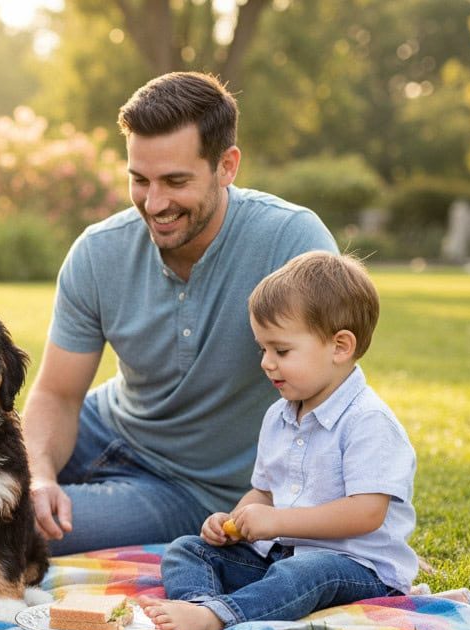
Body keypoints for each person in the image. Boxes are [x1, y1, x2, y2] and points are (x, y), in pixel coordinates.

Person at [21, 71, 339, 555]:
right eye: (139, 180)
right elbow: (58, 394)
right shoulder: (98, 252)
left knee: (8, 532)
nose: (154, 203)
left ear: (226, 166)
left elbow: (334, 399)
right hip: (103, 428)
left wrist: (345, 530)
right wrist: (38, 475)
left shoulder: (292, 242)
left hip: (189, 487)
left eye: (175, 181)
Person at [139, 251, 417, 630]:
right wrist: (234, 523)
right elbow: (265, 492)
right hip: (280, 555)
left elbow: (367, 512)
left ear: (340, 346)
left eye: (281, 351)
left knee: (304, 572)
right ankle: (199, 606)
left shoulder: (368, 421)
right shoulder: (279, 416)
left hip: (355, 568)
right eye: (263, 349)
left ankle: (221, 617)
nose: (267, 363)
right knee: (187, 549)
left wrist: (277, 522)